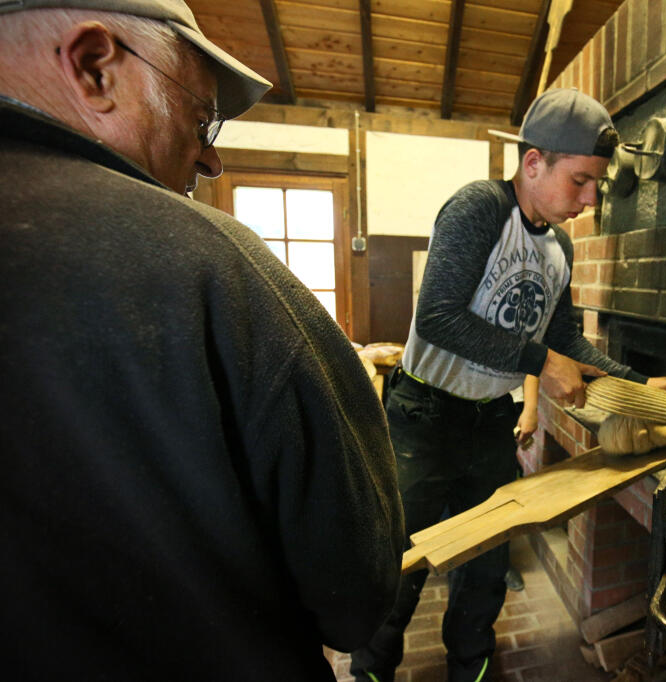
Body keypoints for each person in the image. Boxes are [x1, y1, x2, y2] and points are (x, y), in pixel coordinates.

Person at [0, 1, 403, 680]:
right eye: (199, 117)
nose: (211, 158)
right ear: (95, 67)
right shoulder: (215, 264)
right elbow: (354, 592)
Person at [350, 88, 666, 682]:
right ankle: (373, 672)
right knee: (400, 564)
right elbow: (438, 318)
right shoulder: (479, 208)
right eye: (580, 181)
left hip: (488, 423)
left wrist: (641, 385)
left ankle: (470, 672)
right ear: (534, 163)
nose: (589, 198)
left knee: (484, 569)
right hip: (422, 416)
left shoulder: (559, 247)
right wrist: (538, 359)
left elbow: (569, 343)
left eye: (596, 185)